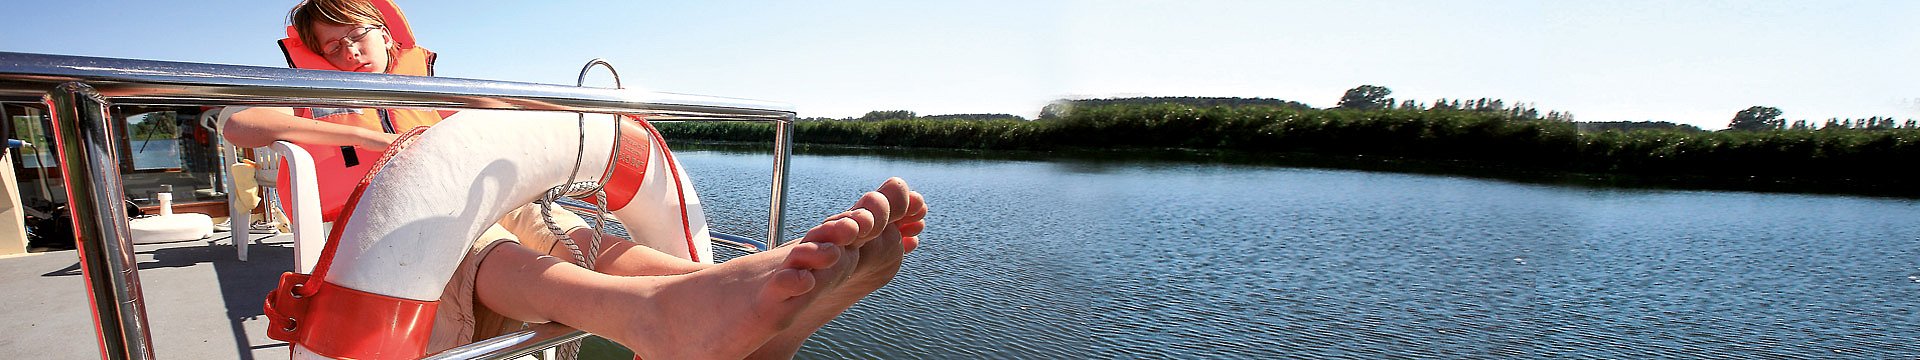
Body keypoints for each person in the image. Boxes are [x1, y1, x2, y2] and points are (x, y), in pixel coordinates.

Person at [220, 1, 928, 358]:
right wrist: (353, 131)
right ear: (313, 55)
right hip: (397, 234)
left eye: (356, 31)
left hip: (485, 199)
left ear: (385, 30)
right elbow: (238, 123)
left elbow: (501, 115)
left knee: (569, 227)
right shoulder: (311, 96)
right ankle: (658, 319)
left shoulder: (433, 83)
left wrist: (572, 120)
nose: (346, 47)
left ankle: (720, 297)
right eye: (329, 42)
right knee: (492, 254)